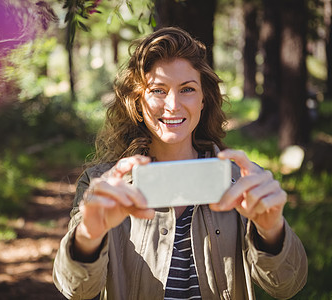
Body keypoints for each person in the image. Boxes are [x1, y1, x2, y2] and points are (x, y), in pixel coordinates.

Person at [53, 27, 307, 299]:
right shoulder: (102, 185)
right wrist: (88, 237)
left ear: (203, 99)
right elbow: (76, 290)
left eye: (187, 89)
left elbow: (287, 286)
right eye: (158, 90)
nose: (173, 104)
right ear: (138, 103)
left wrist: (271, 230)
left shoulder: (240, 182)